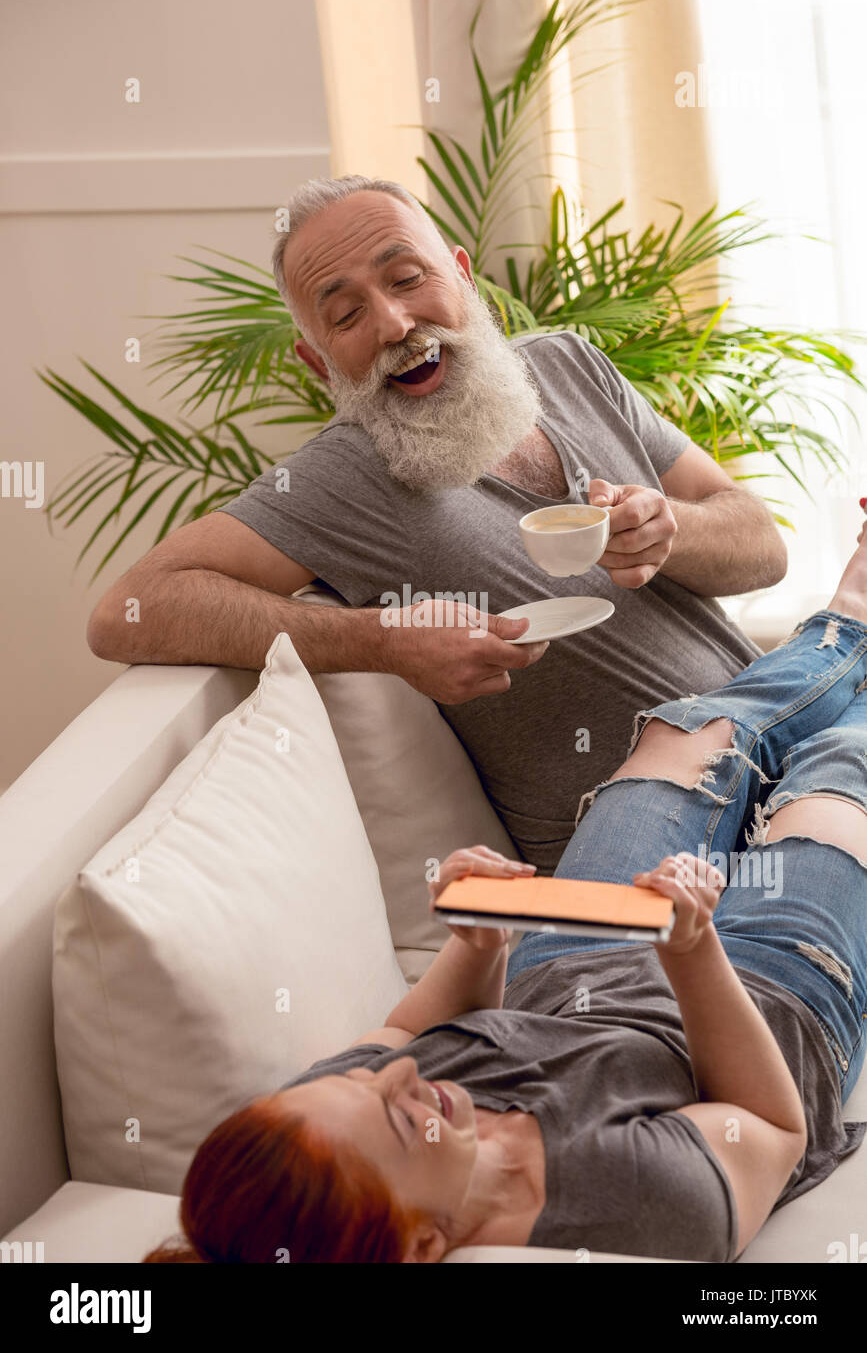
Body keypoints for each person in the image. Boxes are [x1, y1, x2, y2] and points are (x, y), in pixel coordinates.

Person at [144, 524, 867, 1264]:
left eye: (369, 1082)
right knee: (842, 769)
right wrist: (690, 953)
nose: (401, 1076)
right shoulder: (630, 1206)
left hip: (575, 953)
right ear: (424, 1244)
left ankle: (849, 616)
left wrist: (476, 940)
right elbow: (767, 1123)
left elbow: (399, 1037)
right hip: (768, 988)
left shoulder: (326, 1128)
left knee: (698, 735)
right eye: (400, 1115)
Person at [87, 174, 788, 873]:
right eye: (345, 315)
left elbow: (761, 546)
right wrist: (385, 639)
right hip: (656, 849)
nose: (394, 324)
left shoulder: (569, 365)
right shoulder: (346, 474)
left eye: (406, 277)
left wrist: (671, 532)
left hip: (787, 746)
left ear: (461, 276)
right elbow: (127, 611)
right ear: (317, 362)